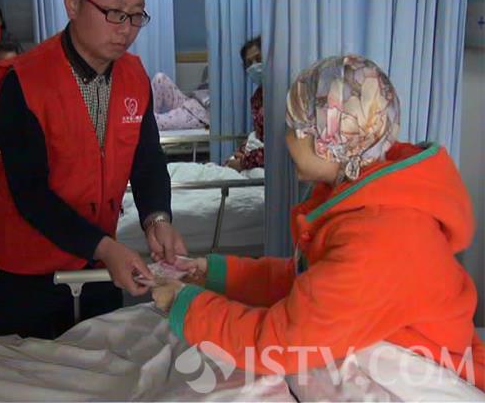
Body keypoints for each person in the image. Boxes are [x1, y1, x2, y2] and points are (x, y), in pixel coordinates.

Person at [152, 54, 485, 391]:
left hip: (419, 376)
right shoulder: (357, 198)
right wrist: (214, 274)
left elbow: (279, 341)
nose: (284, 138)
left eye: (292, 125)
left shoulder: (381, 240)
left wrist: (187, 307)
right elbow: (306, 283)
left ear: (329, 140)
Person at [0, 0, 187, 339]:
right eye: (115, 13)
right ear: (73, 3)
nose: (126, 29)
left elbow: (146, 160)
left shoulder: (133, 76)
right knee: (26, 370)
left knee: (99, 363)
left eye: (136, 15)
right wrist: (105, 247)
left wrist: (157, 218)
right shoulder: (23, 82)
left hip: (95, 261)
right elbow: (30, 193)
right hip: (24, 268)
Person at [225, 36, 264, 171]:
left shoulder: (284, 95)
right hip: (254, 157)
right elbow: (258, 135)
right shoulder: (257, 97)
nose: (254, 66)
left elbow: (278, 148)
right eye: (249, 63)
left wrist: (243, 162)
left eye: (259, 59)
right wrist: (241, 153)